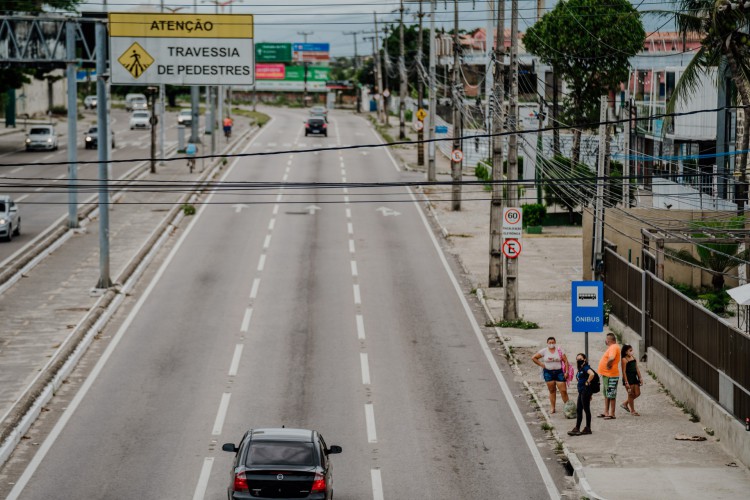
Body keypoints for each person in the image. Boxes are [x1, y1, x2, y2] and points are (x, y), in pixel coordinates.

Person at [532, 336, 570, 414]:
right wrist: (541, 364)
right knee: (552, 390)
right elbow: (534, 357)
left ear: (555, 343)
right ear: (547, 343)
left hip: (559, 372)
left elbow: (566, 361)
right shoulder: (544, 351)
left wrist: (566, 372)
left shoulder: (559, 350)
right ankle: (552, 407)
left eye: (553, 342)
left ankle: (568, 407)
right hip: (548, 372)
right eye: (550, 343)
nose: (551, 344)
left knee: (563, 391)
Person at [568, 353, 596, 436]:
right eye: (577, 359)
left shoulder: (586, 367)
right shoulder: (581, 369)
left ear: (584, 359)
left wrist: (587, 382)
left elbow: (592, 374)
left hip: (585, 391)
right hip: (581, 392)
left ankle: (588, 428)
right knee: (579, 410)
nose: (578, 361)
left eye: (580, 359)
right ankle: (577, 428)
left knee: (586, 409)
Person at [597, 332, 621, 419]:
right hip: (607, 375)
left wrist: (608, 365)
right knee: (607, 394)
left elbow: (611, 358)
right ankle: (606, 412)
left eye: (606, 339)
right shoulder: (612, 347)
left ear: (610, 340)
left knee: (611, 394)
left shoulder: (614, 347)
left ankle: (612, 413)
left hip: (611, 375)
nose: (605, 341)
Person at [620, 344, 643, 416]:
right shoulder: (624, 360)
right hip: (628, 379)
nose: (632, 351)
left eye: (632, 350)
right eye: (630, 350)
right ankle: (632, 410)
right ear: (626, 352)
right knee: (630, 394)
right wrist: (626, 382)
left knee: (637, 393)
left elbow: (637, 368)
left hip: (634, 378)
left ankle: (625, 403)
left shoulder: (633, 358)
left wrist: (640, 377)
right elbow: (623, 372)